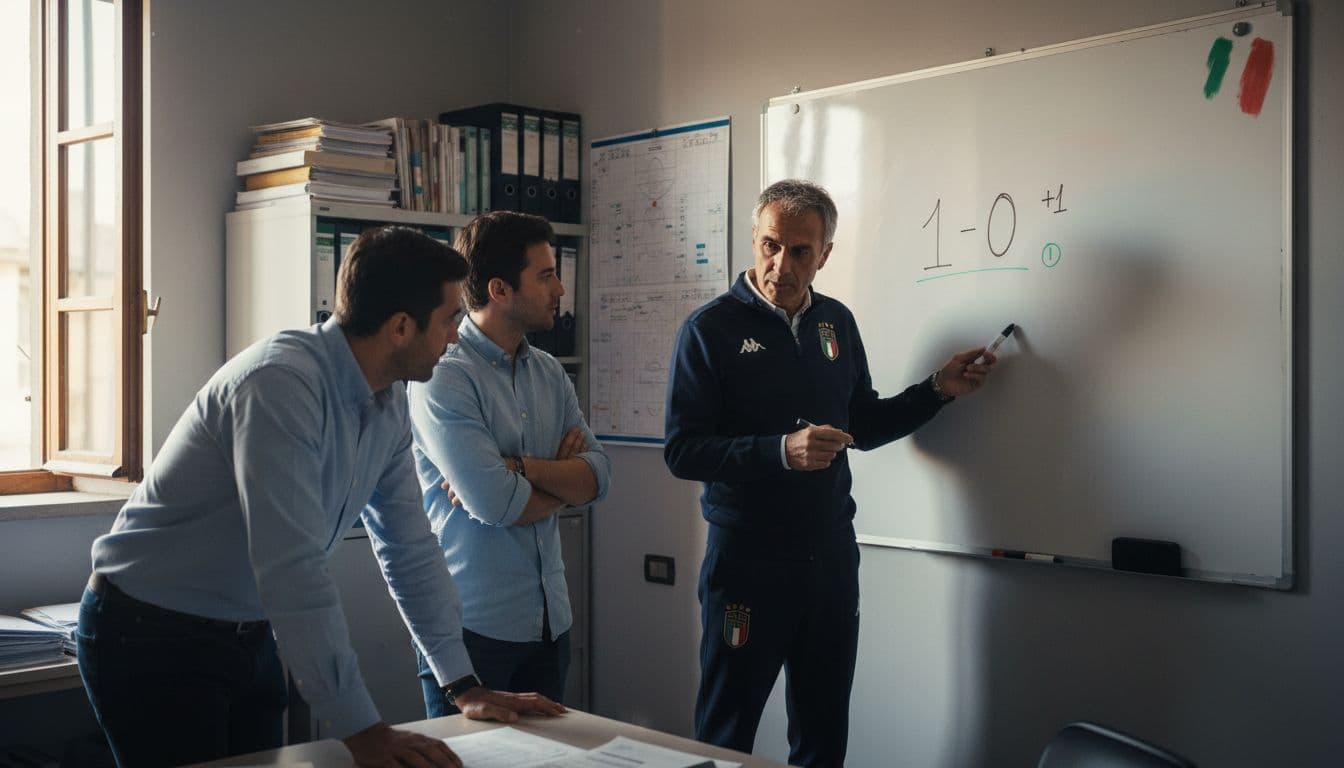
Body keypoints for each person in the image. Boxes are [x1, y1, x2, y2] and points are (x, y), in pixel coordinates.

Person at [77, 225, 564, 768]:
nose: (455, 337)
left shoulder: (387, 403)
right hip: (151, 632)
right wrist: (364, 731)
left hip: (247, 629)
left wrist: (462, 684)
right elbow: (293, 571)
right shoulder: (280, 386)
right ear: (401, 327)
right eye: (450, 319)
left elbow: (410, 548)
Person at [664, 179, 997, 766]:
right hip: (747, 562)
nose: (780, 265)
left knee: (823, 735)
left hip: (830, 559)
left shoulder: (835, 324)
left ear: (825, 255)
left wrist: (937, 390)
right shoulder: (708, 329)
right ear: (754, 238)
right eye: (770, 245)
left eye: (799, 251)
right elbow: (684, 451)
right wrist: (779, 451)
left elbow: (861, 425)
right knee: (724, 732)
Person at [408, 211, 611, 717]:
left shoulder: (549, 372)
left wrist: (518, 468)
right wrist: (559, 481)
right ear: (499, 289)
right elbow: (496, 505)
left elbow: (601, 477)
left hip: (549, 623)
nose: (561, 288)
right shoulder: (444, 376)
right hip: (471, 632)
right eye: (545, 275)